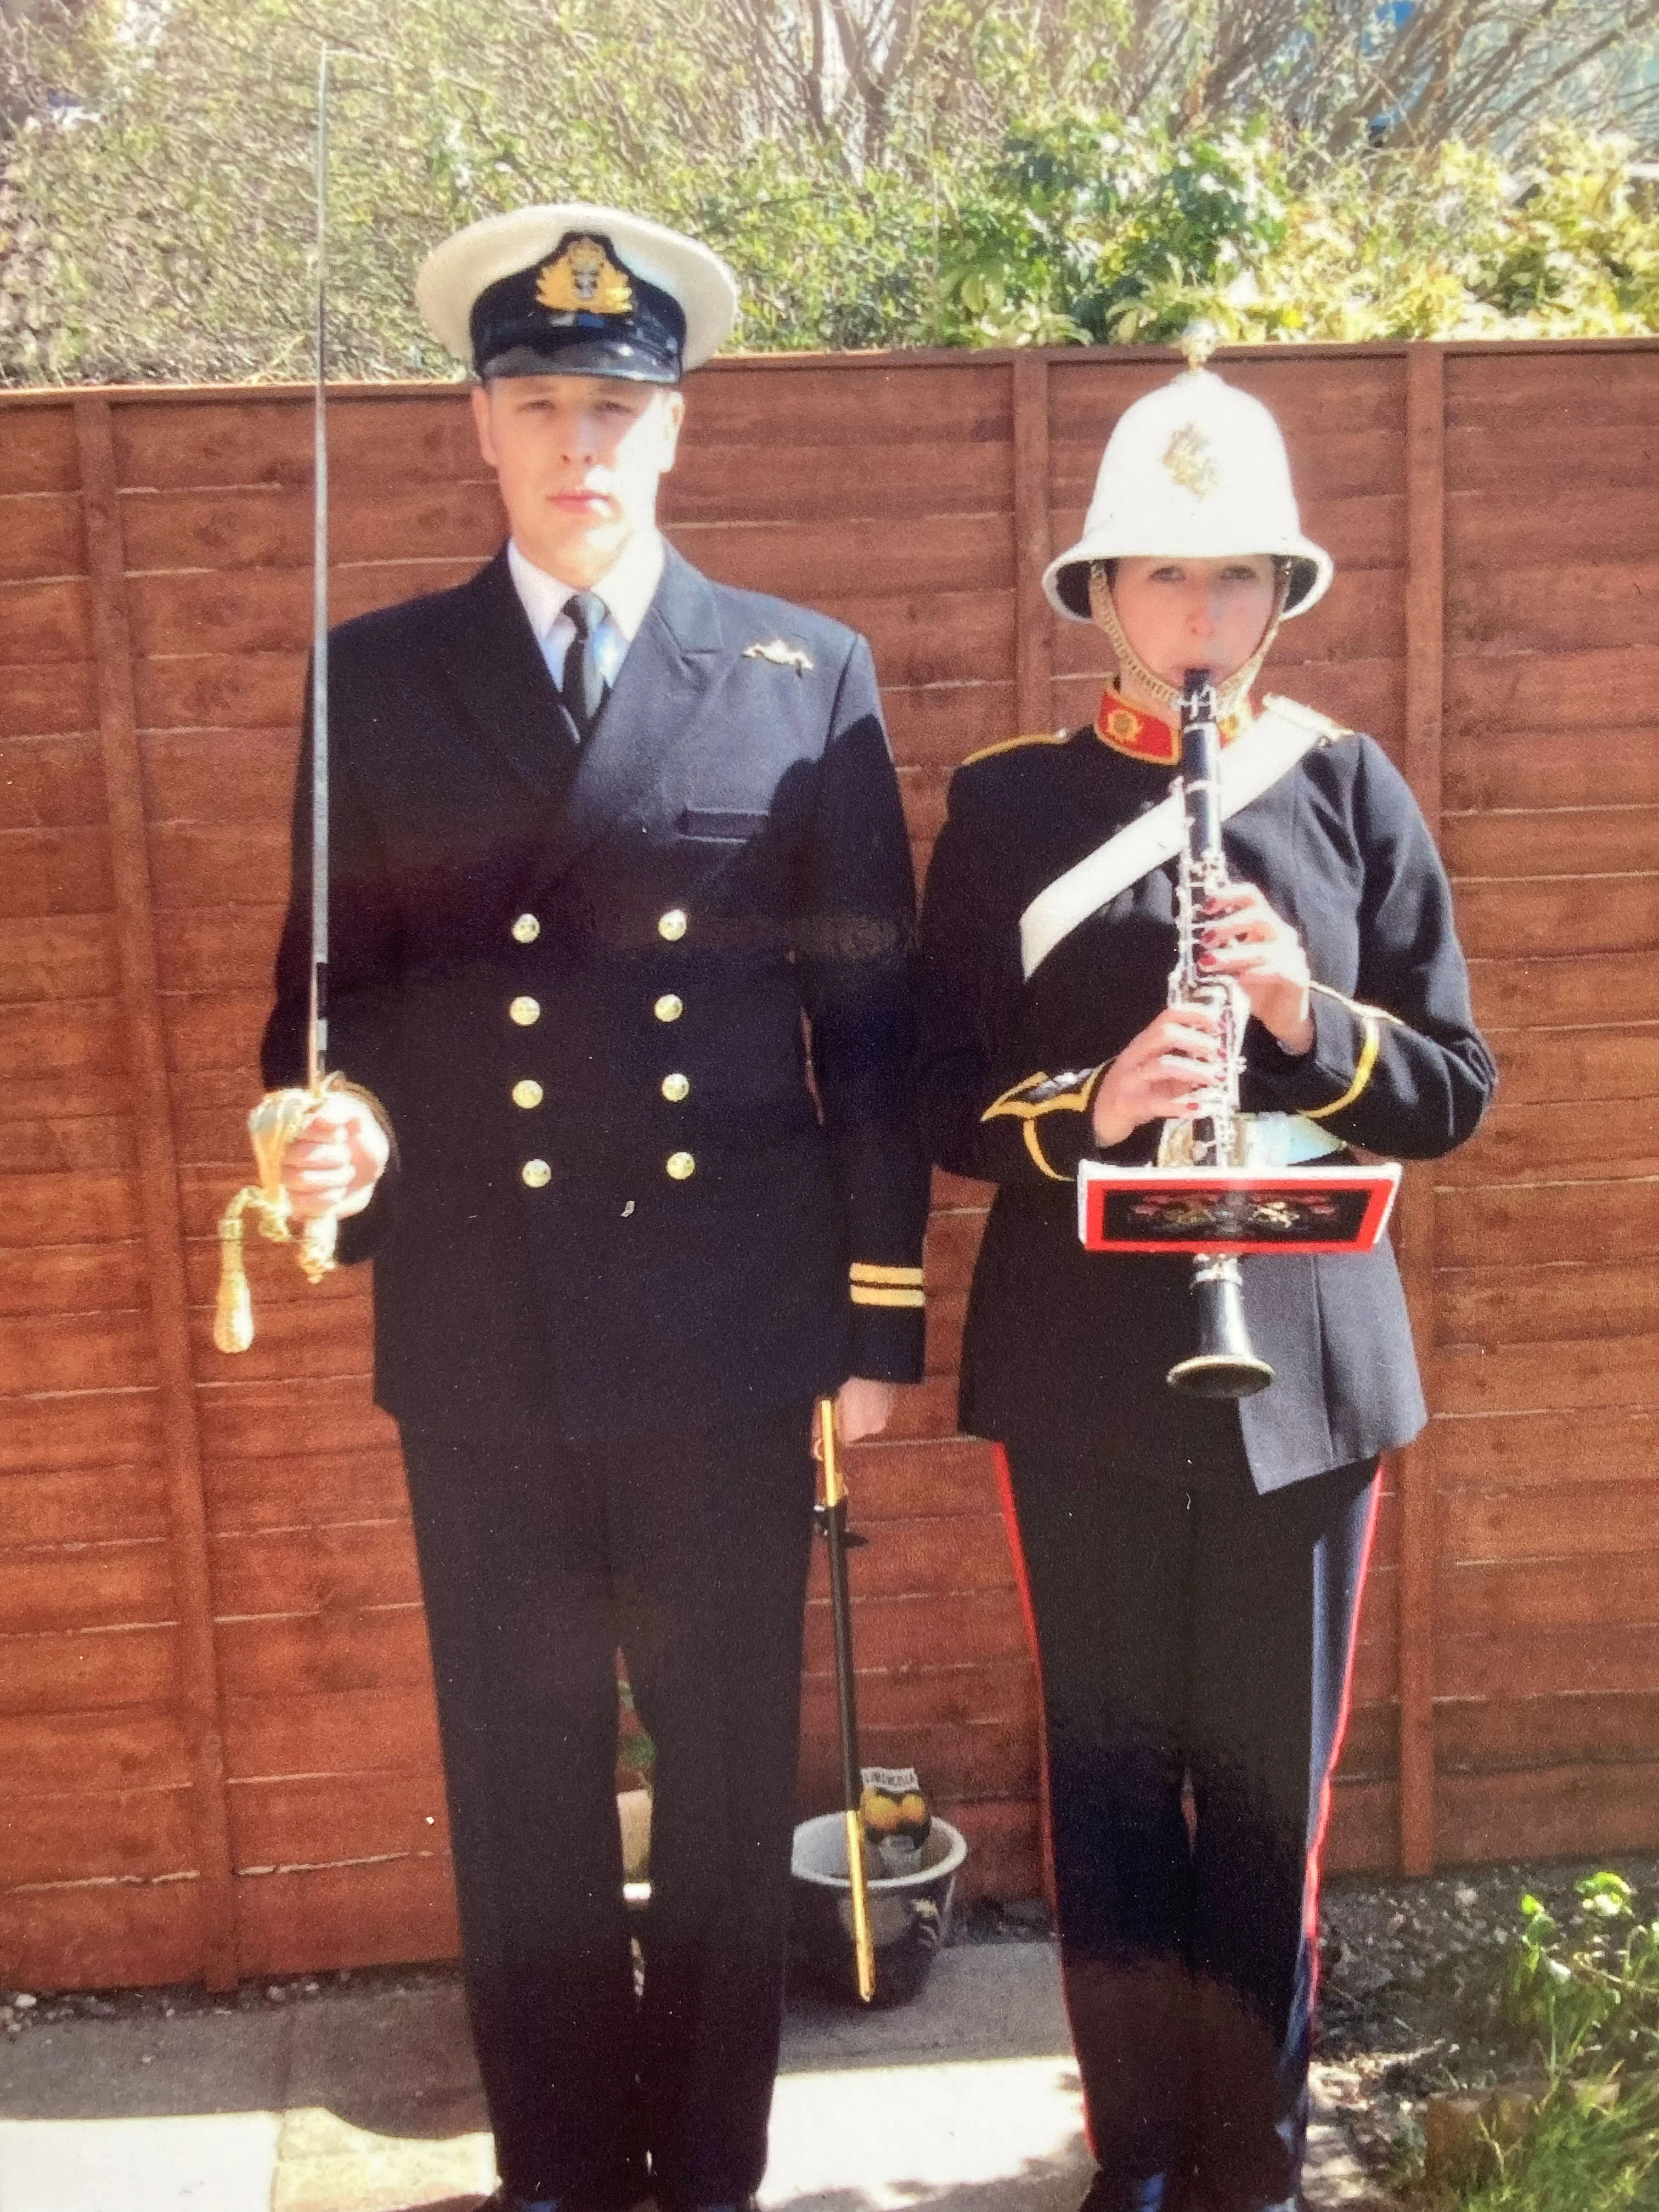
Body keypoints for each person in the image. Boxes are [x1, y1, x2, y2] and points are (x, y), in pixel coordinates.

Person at [261, 204, 929, 2212]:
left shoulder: (804, 674)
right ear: (479, 422)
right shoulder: (374, 675)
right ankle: (557, 2170)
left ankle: (707, 2174)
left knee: (728, 1794)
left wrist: (878, 1325)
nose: (581, 440)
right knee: (522, 1792)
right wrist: (333, 1134)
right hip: (480, 1333)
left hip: (732, 1340)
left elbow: (872, 1031)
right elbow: (328, 1000)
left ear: (677, 428)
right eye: (540, 399)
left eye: (618, 404)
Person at [913, 351, 1496, 2212]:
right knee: (1106, 1781)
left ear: (1280, 599)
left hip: (1310, 1359)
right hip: (1083, 1358)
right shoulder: (1008, 804)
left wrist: (1292, 1015)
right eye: (1163, 575)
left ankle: (1250, 2151)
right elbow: (934, 1092)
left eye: (1236, 576)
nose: (1199, 611)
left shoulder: (1345, 785)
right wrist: (1093, 1105)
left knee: (1271, 1792)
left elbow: (1454, 1087)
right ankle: (1137, 2154)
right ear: (1099, 595)